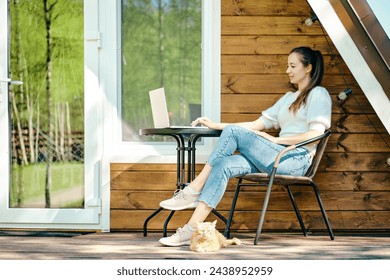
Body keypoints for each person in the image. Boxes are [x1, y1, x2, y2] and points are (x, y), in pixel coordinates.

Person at [158, 46, 332, 246]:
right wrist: (216, 125)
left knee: (232, 132)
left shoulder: (319, 93)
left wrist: (276, 140)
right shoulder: (288, 98)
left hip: (295, 159)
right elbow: (255, 125)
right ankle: (191, 229)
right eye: (287, 66)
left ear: (308, 67)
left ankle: (194, 189)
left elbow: (316, 135)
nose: (288, 70)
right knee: (223, 165)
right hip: (273, 157)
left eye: (293, 66)